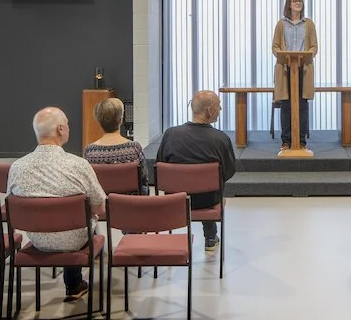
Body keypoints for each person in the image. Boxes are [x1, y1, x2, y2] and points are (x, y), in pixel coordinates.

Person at [7, 106, 107, 302]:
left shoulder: (17, 167)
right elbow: (100, 207)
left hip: (37, 239)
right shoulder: (78, 165)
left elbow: (13, 206)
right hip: (75, 240)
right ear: (61, 129)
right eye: (67, 124)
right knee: (87, 224)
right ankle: (74, 284)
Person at [155, 90, 236, 253]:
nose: (220, 109)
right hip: (208, 200)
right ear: (209, 111)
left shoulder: (170, 134)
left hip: (175, 199)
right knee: (211, 186)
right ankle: (211, 237)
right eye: (218, 106)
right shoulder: (220, 139)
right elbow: (228, 172)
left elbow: (159, 165)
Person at [272, 0, 317, 149]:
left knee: (302, 105)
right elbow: (275, 46)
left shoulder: (308, 24)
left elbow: (314, 46)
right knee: (286, 104)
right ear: (289, 4)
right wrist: (283, 56)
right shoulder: (281, 24)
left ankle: (301, 141)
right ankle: (286, 141)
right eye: (295, 1)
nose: (298, 3)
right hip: (285, 69)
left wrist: (307, 55)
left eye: (300, 1)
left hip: (303, 69)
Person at [83, 96, 149, 193]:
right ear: (120, 120)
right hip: (131, 205)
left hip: (103, 205)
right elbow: (144, 180)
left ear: (98, 121)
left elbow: (88, 184)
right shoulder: (134, 148)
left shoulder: (89, 151)